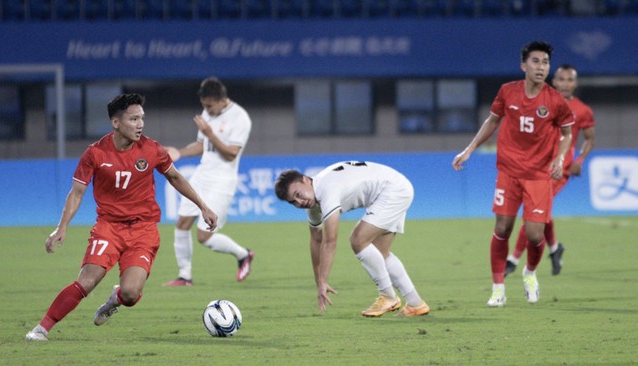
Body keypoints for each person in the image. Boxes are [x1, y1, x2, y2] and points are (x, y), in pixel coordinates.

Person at [25, 93, 217, 341]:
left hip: (143, 230)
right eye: (134, 119)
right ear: (116, 123)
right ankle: (41, 328)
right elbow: (77, 192)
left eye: (142, 118)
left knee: (130, 294)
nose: (140, 124)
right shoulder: (95, 153)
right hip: (108, 227)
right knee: (88, 280)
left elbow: (176, 178)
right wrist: (61, 228)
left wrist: (203, 206)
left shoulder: (151, 149)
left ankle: (114, 299)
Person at [452, 41, 574, 307]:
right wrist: (470, 149)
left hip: (539, 176)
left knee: (534, 236)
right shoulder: (507, 92)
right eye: (536, 61)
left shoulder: (555, 100)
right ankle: (498, 288)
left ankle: (530, 273)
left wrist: (560, 157)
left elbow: (567, 132)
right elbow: (492, 120)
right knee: (502, 228)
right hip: (508, 172)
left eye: (545, 62)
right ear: (523, 65)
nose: (541, 67)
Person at [274, 161, 430, 317]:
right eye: (293, 202)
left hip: (393, 190)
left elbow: (330, 241)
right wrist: (319, 282)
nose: (300, 202)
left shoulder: (327, 189)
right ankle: (415, 303)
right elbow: (316, 240)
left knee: (358, 239)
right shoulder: (313, 203)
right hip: (394, 187)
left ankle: (388, 296)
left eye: (298, 194)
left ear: (306, 180)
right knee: (379, 253)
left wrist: (323, 280)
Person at [505, 64, 596, 277]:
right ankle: (555, 248)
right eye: (561, 79)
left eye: (570, 79)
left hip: (559, 170)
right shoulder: (541, 102)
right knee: (541, 213)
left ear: (575, 83)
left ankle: (513, 259)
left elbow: (590, 139)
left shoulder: (583, 111)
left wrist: (580, 159)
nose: (565, 83)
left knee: (532, 214)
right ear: (554, 81)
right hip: (535, 167)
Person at [163, 77, 254, 286]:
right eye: (204, 106)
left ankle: (243, 254)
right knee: (182, 224)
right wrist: (180, 152)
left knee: (204, 236)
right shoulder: (208, 112)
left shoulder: (240, 118)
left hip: (222, 181)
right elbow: (201, 145)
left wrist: (210, 133)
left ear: (222, 100)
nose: (206, 110)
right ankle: (185, 277)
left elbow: (231, 153)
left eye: (210, 106)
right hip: (202, 175)